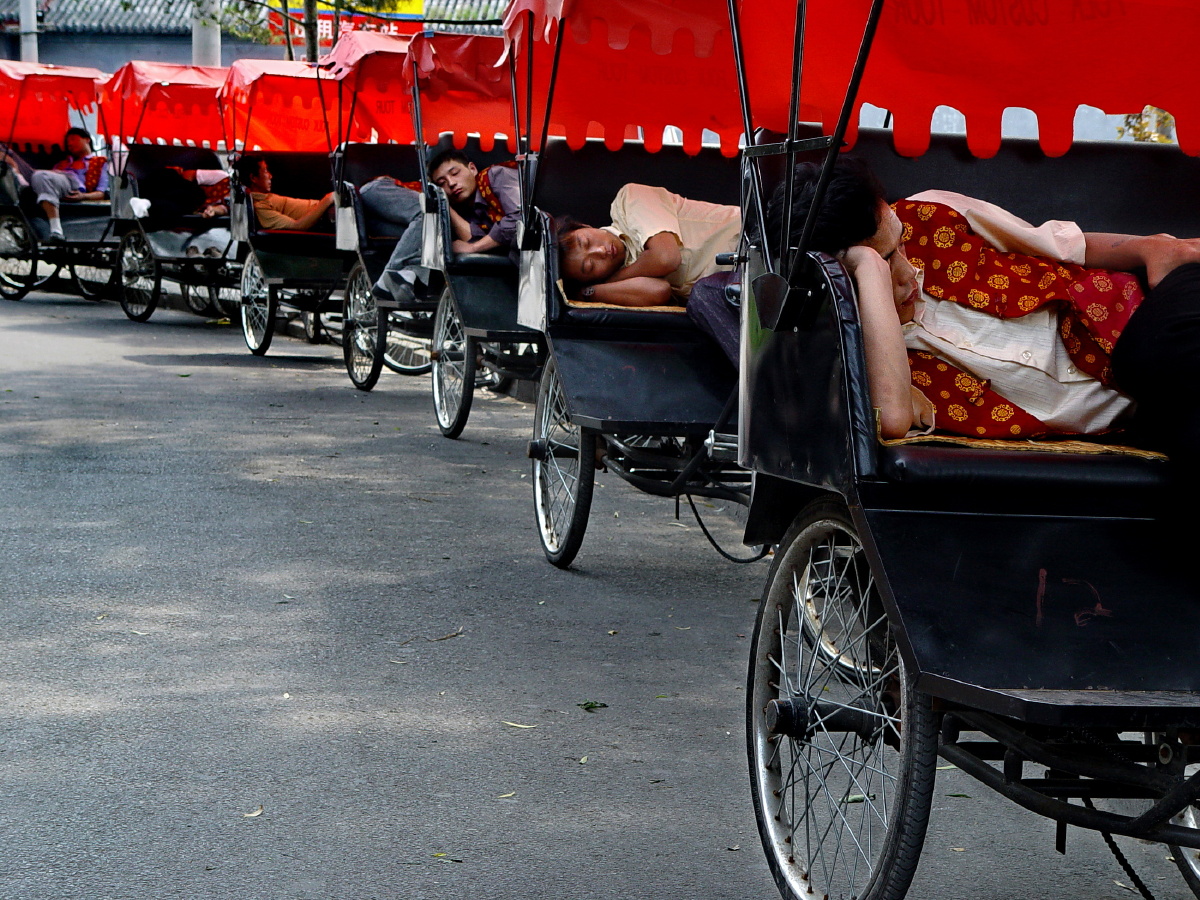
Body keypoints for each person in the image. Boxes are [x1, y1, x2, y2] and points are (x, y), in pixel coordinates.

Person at [769, 159, 1200, 454]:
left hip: (1147, 316)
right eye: (883, 261)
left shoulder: (933, 214)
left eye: (899, 243)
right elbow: (895, 420)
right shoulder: (862, 363)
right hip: (1146, 416)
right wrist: (868, 268)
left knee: (1149, 361)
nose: (906, 272)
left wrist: (1154, 247)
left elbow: (1067, 247)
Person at [555, 184, 742, 318]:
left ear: (584, 225)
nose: (601, 251)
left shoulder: (629, 199)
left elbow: (665, 258)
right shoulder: (619, 284)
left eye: (586, 242)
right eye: (590, 266)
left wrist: (613, 279)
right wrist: (589, 293)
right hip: (735, 293)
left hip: (752, 240)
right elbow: (659, 290)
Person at [28, 128, 110, 244]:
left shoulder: (101, 162)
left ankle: (56, 228)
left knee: (40, 175)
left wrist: (83, 196)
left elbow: (102, 193)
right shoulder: (62, 164)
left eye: (73, 139)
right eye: (67, 142)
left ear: (87, 140)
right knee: (37, 176)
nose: (70, 144)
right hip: (55, 185)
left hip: (75, 186)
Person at [236, 154, 333, 232]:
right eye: (265, 171)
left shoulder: (266, 197)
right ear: (253, 178)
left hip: (327, 208)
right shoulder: (260, 206)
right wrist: (327, 200)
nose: (270, 176)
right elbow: (298, 226)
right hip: (325, 218)